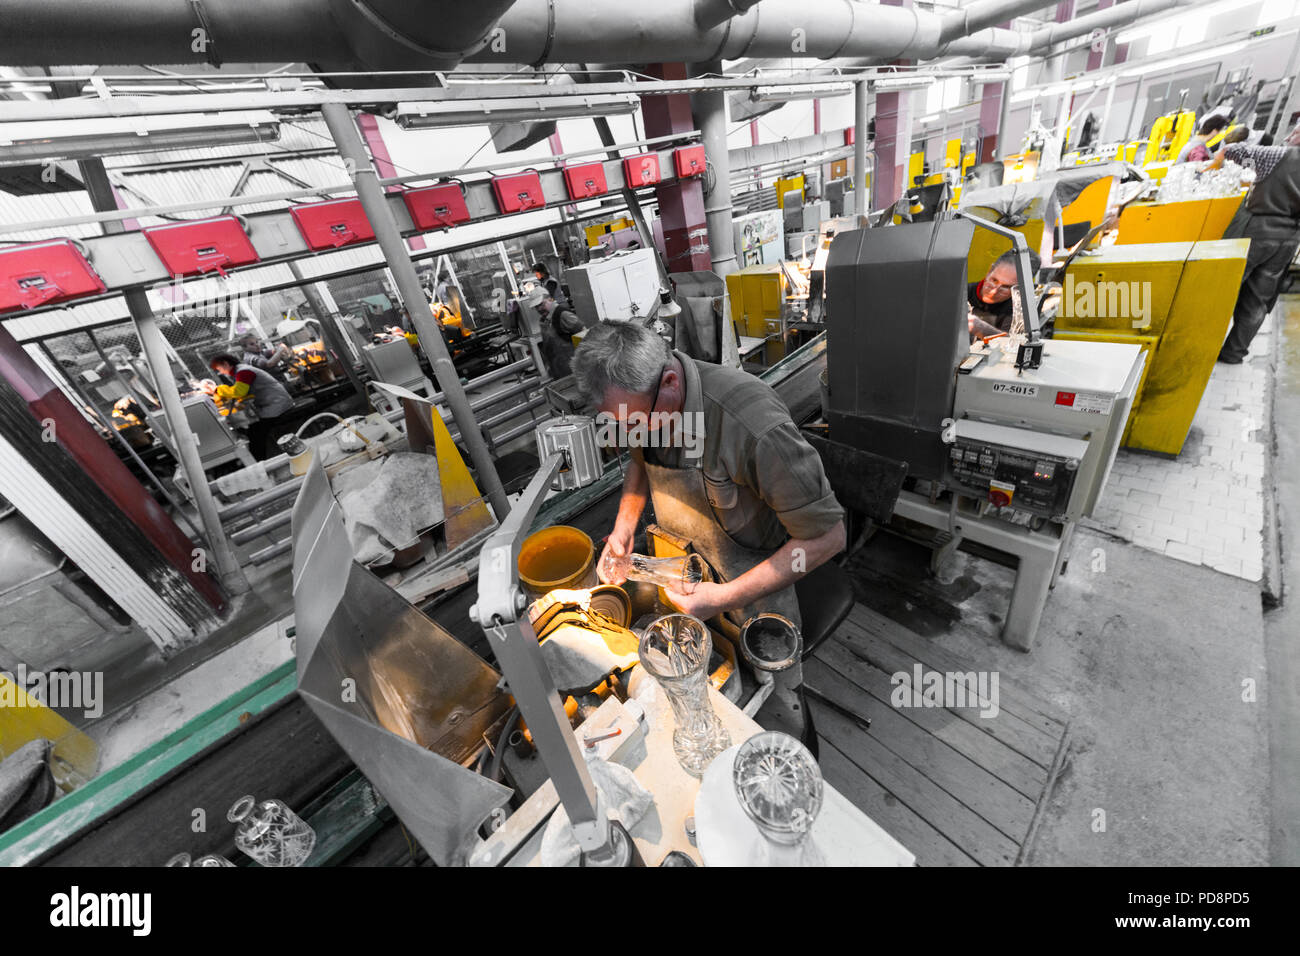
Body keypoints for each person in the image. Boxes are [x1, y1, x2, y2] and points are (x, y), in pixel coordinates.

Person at [573, 322, 846, 629]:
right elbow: (640, 463)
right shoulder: (641, 406)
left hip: (754, 586)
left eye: (634, 424)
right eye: (617, 423)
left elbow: (827, 538)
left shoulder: (752, 428)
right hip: (684, 571)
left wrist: (724, 597)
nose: (628, 433)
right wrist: (623, 530)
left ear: (670, 382)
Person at [1208, 120, 1300, 362]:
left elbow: (1232, 150)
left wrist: (1249, 168)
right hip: (1289, 238)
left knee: (1222, 287)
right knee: (1259, 298)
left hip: (1258, 229)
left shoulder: (1278, 155)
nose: (1290, 135)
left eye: (1295, 132)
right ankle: (1234, 352)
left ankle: (1202, 344)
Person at [208, 352, 295, 460]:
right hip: (274, 403)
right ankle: (260, 459)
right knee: (253, 431)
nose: (220, 372)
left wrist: (217, 390)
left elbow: (239, 392)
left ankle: (260, 462)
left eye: (219, 369)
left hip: (277, 404)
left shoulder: (243, 372)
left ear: (225, 364)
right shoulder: (241, 371)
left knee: (255, 432)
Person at [968, 250, 1039, 342]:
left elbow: (1014, 344)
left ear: (1020, 288)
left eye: (1006, 287)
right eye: (994, 280)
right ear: (990, 271)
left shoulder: (1019, 309)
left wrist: (981, 329)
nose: (994, 291)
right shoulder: (962, 293)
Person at [535, 295, 584, 378]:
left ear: (550, 299)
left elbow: (583, 335)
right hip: (560, 371)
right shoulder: (545, 321)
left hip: (575, 370)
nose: (539, 309)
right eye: (536, 307)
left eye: (541, 304)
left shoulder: (563, 315)